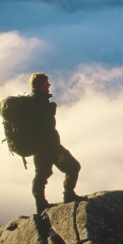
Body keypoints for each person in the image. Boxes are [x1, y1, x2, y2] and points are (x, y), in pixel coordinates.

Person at [28, 72, 84, 213]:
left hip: (39, 148)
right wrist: (57, 152)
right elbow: (47, 131)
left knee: (41, 174)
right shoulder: (40, 104)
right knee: (73, 167)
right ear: (41, 85)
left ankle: (41, 204)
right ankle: (68, 195)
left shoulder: (34, 102)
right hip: (48, 147)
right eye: (47, 83)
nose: (49, 85)